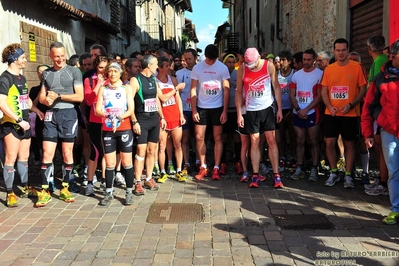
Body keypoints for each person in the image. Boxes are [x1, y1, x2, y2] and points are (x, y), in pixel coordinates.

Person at [36, 41, 84, 207]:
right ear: (50, 56)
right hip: (51, 115)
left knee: (66, 153)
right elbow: (42, 97)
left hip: (68, 114)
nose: (60, 59)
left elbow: (80, 97)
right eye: (56, 56)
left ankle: (65, 188)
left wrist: (59, 97)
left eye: (62, 56)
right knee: (47, 154)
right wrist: (46, 99)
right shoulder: (47, 74)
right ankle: (45, 191)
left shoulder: (74, 71)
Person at [0, 43, 44, 207]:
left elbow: (24, 100)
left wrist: (36, 110)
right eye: (23, 57)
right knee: (10, 158)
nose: (25, 59)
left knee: (24, 158)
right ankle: (10, 193)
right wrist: (18, 120)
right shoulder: (5, 78)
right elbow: (1, 103)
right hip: (11, 125)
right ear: (14, 59)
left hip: (25, 124)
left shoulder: (22, 78)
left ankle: (24, 187)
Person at [361, 39, 399, 224]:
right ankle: (395, 209)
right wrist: (368, 133)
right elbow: (368, 107)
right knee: (394, 172)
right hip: (389, 132)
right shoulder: (380, 78)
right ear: (392, 56)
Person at [321, 38, 367, 189]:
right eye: (338, 50)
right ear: (334, 51)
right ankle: (334, 172)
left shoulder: (357, 67)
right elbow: (324, 91)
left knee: (349, 144)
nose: (341, 53)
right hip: (332, 113)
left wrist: (351, 104)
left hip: (350, 113)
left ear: (348, 50)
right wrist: (329, 106)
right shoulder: (329, 69)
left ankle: (348, 175)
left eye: (343, 50)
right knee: (329, 143)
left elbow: (363, 89)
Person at [236, 47, 284, 188]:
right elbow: (239, 92)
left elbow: (276, 87)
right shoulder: (242, 69)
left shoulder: (268, 65)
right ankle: (255, 175)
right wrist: (239, 114)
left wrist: (279, 109)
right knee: (254, 141)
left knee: (271, 140)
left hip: (267, 108)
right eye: (248, 64)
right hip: (251, 110)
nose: (251, 67)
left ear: (258, 58)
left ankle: (276, 176)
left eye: (253, 64)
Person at [95, 62, 135, 205]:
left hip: (124, 128)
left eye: (115, 71)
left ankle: (129, 192)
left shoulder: (127, 88)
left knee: (126, 162)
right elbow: (97, 110)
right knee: (110, 163)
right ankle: (108, 192)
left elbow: (131, 109)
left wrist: (119, 117)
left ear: (120, 73)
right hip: (107, 129)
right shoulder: (103, 89)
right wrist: (107, 115)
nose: (112, 74)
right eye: (110, 71)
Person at [190, 44, 230, 181]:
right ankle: (203, 166)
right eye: (208, 59)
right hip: (202, 107)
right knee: (199, 137)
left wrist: (225, 110)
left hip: (217, 107)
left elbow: (226, 90)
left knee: (217, 138)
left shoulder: (222, 68)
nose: (210, 62)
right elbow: (193, 89)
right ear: (205, 56)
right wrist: (194, 109)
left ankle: (216, 167)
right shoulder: (197, 67)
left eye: (213, 60)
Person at [130, 54, 166, 195]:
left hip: (153, 120)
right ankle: (138, 181)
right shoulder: (136, 80)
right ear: (149, 65)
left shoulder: (153, 79)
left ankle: (148, 178)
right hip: (142, 120)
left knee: (152, 150)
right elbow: (130, 101)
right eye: (156, 64)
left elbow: (157, 99)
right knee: (141, 152)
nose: (157, 66)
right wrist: (134, 121)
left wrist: (161, 117)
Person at [289, 48, 323, 181]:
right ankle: (299, 166)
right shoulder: (296, 75)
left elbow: (320, 96)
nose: (306, 62)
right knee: (299, 140)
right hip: (298, 112)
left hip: (313, 112)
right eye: (304, 59)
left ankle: (314, 168)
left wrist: (307, 109)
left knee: (313, 140)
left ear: (314, 60)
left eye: (309, 60)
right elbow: (292, 95)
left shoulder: (320, 74)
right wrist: (298, 110)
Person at [363, 35, 390, 196]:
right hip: (379, 110)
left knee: (380, 148)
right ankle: (382, 179)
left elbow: (374, 90)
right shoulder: (382, 59)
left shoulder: (379, 61)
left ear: (369, 49)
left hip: (377, 111)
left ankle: (383, 182)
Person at [155, 56, 186, 183]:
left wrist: (181, 114)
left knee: (178, 144)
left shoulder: (173, 79)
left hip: (174, 115)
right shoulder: (155, 81)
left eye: (170, 65)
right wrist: (176, 89)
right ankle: (163, 171)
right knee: (162, 145)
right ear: (160, 67)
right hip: (163, 116)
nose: (169, 68)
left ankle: (178, 170)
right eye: (167, 66)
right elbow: (161, 98)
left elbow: (177, 98)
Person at [83, 55, 110, 196]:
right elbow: (88, 100)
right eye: (100, 68)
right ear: (95, 67)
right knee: (95, 152)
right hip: (95, 121)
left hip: (109, 121)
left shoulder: (112, 79)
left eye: (105, 68)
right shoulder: (89, 80)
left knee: (107, 152)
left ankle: (106, 180)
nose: (103, 71)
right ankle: (89, 182)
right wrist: (98, 85)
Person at [176, 48, 198, 176]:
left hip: (199, 108)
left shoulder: (201, 70)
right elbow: (177, 93)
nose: (188, 61)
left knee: (199, 137)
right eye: (186, 59)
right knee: (185, 137)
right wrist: (180, 112)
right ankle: (186, 162)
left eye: (190, 59)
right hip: (185, 109)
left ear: (195, 58)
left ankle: (199, 160)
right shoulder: (180, 73)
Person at [221, 52, 242, 175]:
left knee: (236, 138)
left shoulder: (238, 73)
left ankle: (238, 161)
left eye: (233, 62)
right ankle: (222, 162)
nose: (231, 64)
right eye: (228, 62)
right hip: (224, 110)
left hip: (235, 110)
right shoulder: (221, 74)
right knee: (223, 137)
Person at [276, 50, 296, 171]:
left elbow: (297, 93)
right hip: (279, 109)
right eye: (280, 60)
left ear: (289, 61)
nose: (281, 62)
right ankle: (282, 157)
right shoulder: (276, 74)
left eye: (283, 60)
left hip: (291, 109)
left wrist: (292, 109)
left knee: (292, 135)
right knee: (280, 136)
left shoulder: (294, 74)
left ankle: (293, 157)